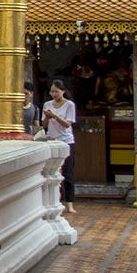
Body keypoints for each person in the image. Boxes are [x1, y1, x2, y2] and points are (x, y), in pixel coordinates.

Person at [44, 79, 77, 214]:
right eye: (52, 92)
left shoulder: (69, 105)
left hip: (66, 140)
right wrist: (47, 117)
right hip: (52, 139)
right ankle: (55, 201)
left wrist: (55, 116)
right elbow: (44, 125)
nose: (54, 94)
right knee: (52, 171)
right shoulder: (47, 104)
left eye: (56, 92)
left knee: (68, 172)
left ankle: (69, 202)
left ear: (63, 91)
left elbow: (68, 124)